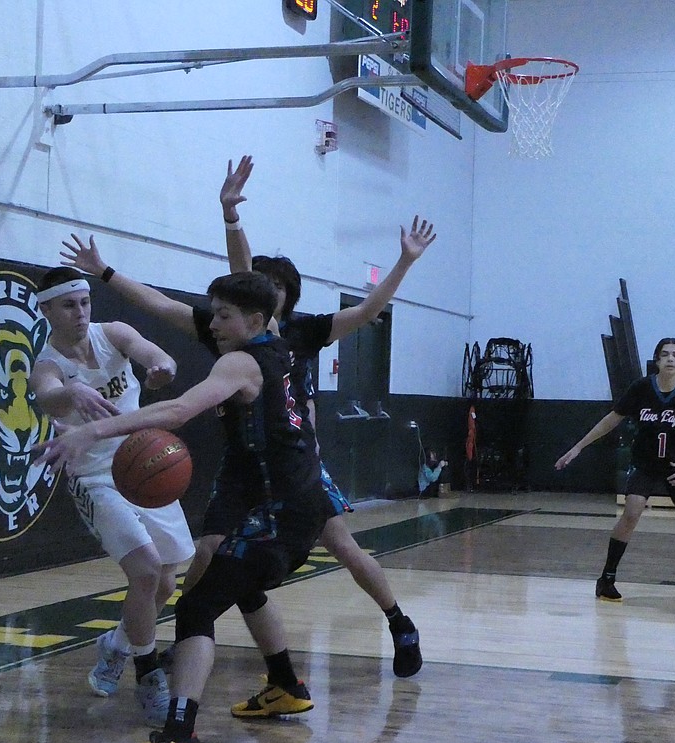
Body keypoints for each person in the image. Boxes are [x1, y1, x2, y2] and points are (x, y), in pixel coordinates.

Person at [58, 156, 437, 679]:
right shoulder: (225, 328)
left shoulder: (296, 334)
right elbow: (164, 300)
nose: (261, 289)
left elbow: (369, 312)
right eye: (260, 283)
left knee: (343, 548)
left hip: (293, 465)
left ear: (277, 304)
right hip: (243, 466)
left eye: (273, 287)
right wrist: (105, 272)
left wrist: (404, 263)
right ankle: (206, 641)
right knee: (209, 555)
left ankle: (398, 621)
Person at [38, 272, 335, 743]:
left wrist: (93, 430)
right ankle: (286, 686)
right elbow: (49, 392)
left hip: (279, 509)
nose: (211, 323)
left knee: (195, 606)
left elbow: (176, 410)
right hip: (296, 501)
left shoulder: (240, 360)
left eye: (222, 315)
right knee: (242, 586)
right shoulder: (280, 347)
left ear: (255, 321)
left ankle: (183, 737)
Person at [27, 267, 196, 728]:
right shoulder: (47, 365)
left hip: (144, 464)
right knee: (143, 573)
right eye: (68, 305)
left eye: (84, 302)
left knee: (163, 584)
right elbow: (49, 398)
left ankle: (117, 644)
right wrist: (72, 391)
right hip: (95, 476)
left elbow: (156, 355)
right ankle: (146, 674)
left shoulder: (113, 333)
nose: (80, 313)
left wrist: (163, 368)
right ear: (46, 310)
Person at [555, 338, 675, 601]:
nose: (670, 359)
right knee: (631, 512)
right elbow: (611, 420)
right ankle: (607, 578)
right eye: (664, 354)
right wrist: (578, 448)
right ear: (656, 360)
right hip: (645, 463)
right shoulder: (641, 388)